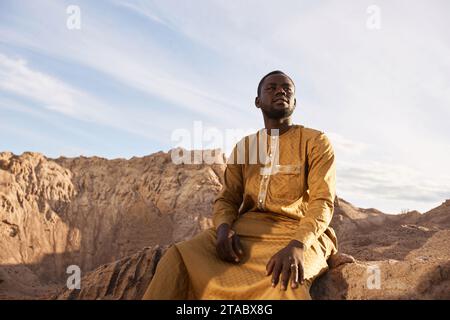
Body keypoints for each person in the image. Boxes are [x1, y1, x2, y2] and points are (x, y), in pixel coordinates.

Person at [143, 70, 348, 300]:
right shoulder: (245, 147)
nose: (280, 91)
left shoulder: (315, 141)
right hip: (245, 231)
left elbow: (322, 201)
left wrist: (298, 245)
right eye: (271, 88)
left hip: (299, 231)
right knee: (177, 258)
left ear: (295, 102)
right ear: (258, 101)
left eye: (286, 89)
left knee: (285, 281)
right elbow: (228, 197)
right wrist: (222, 228)